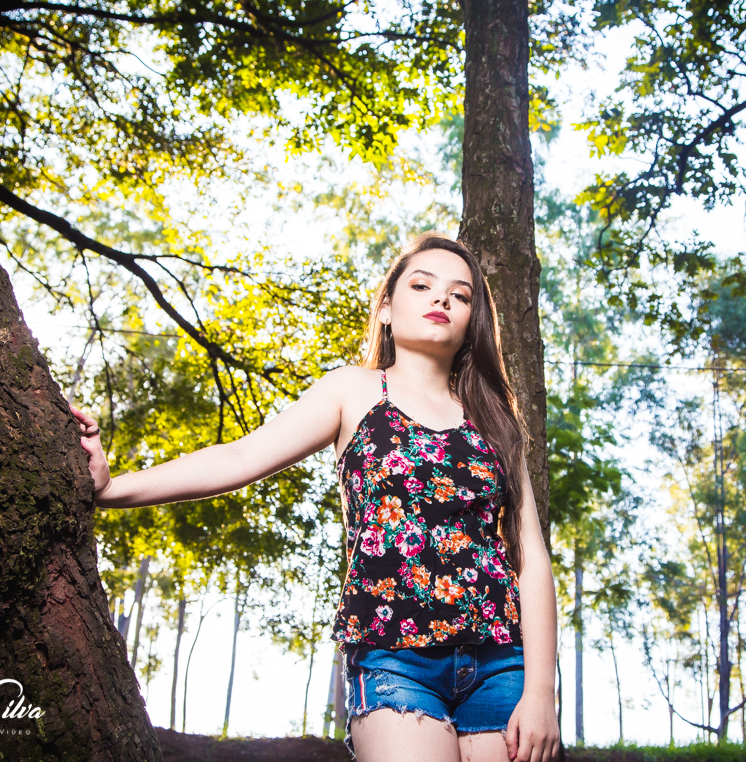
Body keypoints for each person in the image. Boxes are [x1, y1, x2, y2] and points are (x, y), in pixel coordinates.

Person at [72, 232, 561, 762]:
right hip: (394, 659)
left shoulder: (495, 420)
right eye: (421, 285)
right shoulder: (354, 390)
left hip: (501, 663)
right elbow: (239, 458)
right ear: (386, 308)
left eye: (459, 294)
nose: (441, 298)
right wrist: (112, 488)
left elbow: (531, 560)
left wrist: (541, 694)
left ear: (471, 321)